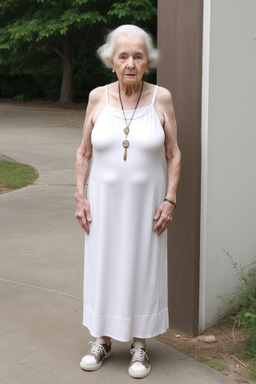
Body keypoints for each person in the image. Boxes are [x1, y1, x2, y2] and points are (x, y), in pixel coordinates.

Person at [75, 24, 181, 379]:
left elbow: (174, 154)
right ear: (111, 61)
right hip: (102, 203)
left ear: (148, 61)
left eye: (138, 55)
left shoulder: (161, 98)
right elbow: (84, 151)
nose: (130, 62)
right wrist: (80, 195)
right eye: (123, 56)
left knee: (142, 268)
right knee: (104, 266)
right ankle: (101, 340)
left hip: (147, 205)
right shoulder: (96, 98)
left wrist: (170, 199)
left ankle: (140, 345)